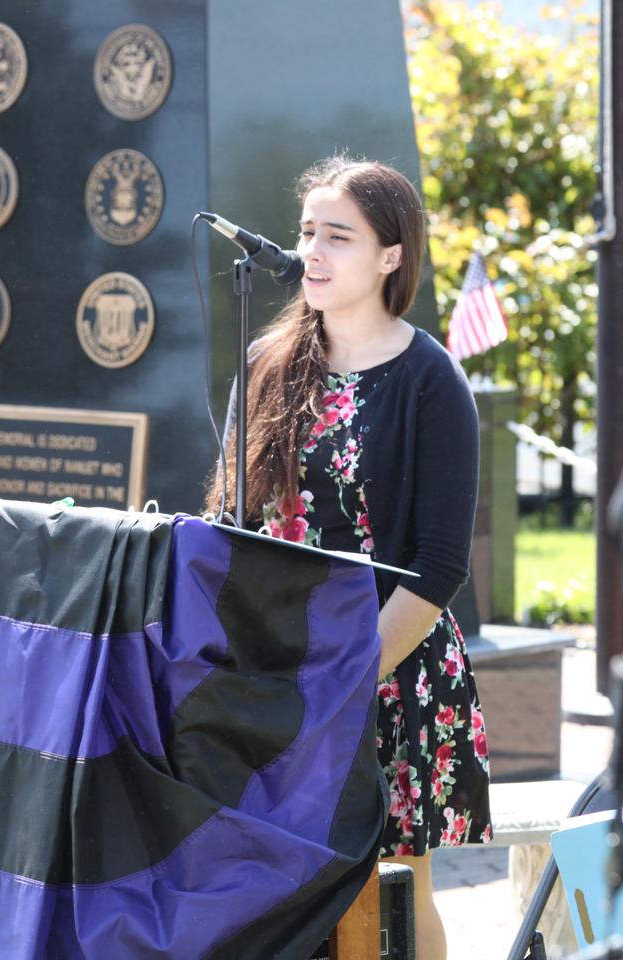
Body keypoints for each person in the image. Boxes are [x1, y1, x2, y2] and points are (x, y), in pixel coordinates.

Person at [205, 155, 492, 960]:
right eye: (306, 233)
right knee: (276, 893)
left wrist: (341, 682)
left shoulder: (431, 380)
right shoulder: (268, 366)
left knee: (400, 892)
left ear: (391, 256)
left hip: (386, 670)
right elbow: (225, 523)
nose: (313, 254)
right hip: (275, 675)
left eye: (339, 236)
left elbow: (439, 570)